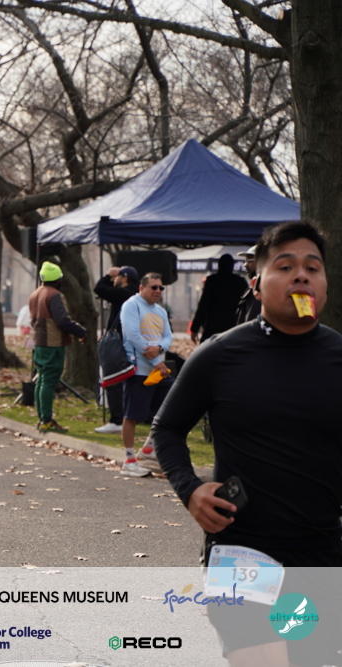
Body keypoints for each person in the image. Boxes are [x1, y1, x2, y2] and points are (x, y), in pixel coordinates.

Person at [154, 220, 341, 667]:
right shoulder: (221, 354)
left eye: (312, 268)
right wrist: (189, 489)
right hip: (242, 552)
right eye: (286, 266)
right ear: (256, 285)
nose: (301, 276)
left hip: (321, 553)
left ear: (324, 285)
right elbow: (166, 428)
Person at [118, 272, 172, 476]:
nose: (158, 291)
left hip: (158, 372)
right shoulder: (131, 305)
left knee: (170, 408)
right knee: (132, 416)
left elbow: (168, 337)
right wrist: (157, 361)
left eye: (161, 288)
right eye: (153, 287)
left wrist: (160, 348)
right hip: (138, 370)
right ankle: (129, 461)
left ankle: (148, 449)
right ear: (142, 288)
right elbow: (133, 335)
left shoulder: (161, 311)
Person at [27, 261, 87, 433]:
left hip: (39, 342)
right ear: (57, 279)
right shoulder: (54, 295)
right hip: (52, 343)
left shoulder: (35, 294)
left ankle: (42, 418)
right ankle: (46, 420)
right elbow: (62, 321)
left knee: (42, 379)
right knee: (48, 380)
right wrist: (80, 331)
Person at [92, 266, 139, 434]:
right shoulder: (136, 293)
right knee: (129, 381)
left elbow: (99, 289)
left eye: (116, 277)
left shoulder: (123, 294)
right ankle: (129, 417)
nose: (114, 280)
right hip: (132, 342)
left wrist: (107, 275)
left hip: (118, 342)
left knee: (114, 380)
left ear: (124, 278)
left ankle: (117, 420)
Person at [190, 253, 248, 344]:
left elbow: (203, 306)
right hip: (233, 327)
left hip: (213, 327)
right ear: (232, 266)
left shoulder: (212, 281)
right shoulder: (240, 282)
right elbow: (247, 306)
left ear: (219, 265)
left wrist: (195, 328)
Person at [234, 245, 260, 324]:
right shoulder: (253, 286)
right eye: (245, 260)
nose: (245, 264)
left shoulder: (262, 287)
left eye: (250, 260)